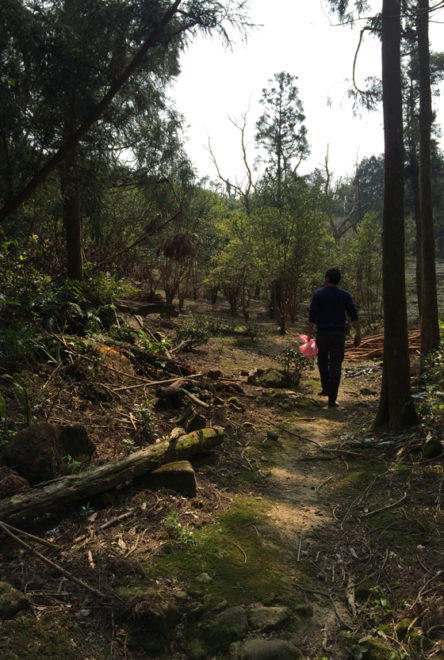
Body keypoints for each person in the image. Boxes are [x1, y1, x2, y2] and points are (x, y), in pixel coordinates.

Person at [307, 268, 361, 409]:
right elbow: (353, 315)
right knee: (336, 365)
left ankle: (326, 387)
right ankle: (332, 400)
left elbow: (312, 315)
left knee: (322, 362)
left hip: (323, 334)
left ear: (327, 279)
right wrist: (358, 333)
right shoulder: (345, 295)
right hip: (338, 335)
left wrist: (309, 333)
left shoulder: (318, 294)